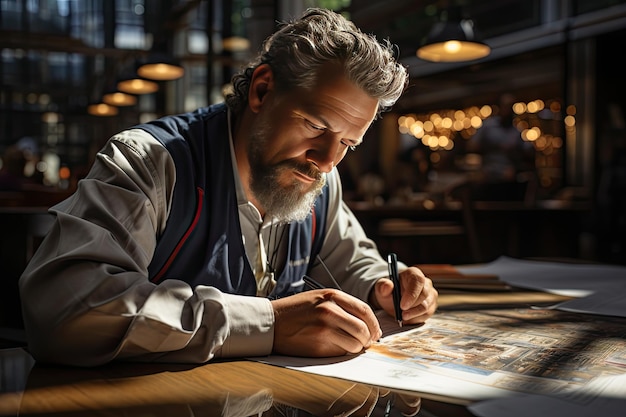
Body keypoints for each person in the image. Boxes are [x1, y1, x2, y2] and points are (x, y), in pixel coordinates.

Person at [19, 7, 438, 366]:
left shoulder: (320, 183)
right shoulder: (150, 162)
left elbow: (353, 261)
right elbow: (64, 311)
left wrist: (387, 286)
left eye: (348, 142)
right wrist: (269, 324)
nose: (327, 160)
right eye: (315, 125)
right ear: (262, 90)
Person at [466, 93, 535, 200]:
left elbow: (527, 152)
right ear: (500, 107)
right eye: (506, 106)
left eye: (511, 107)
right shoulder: (488, 126)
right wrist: (494, 146)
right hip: (488, 173)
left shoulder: (516, 131)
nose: (509, 110)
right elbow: (472, 146)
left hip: (508, 175)